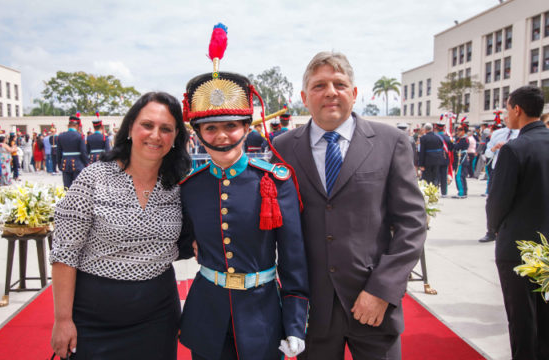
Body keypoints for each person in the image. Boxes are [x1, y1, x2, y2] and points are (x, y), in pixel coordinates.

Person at [273, 51, 427, 360]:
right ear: (304, 97)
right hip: (312, 310)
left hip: (373, 305)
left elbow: (412, 223)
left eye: (339, 84)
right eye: (319, 86)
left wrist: (382, 290)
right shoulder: (283, 146)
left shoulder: (390, 141)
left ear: (354, 94)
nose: (330, 92)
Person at [179, 26, 309, 360]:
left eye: (230, 126)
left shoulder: (275, 182)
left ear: (246, 128)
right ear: (198, 133)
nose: (221, 135)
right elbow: (179, 240)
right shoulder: (190, 186)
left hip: (262, 314)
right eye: (211, 127)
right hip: (207, 313)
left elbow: (293, 261)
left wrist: (295, 323)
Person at [50, 92, 193, 360]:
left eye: (166, 129)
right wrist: (62, 320)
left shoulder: (179, 185)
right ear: (130, 128)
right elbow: (64, 253)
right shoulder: (94, 177)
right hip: (94, 317)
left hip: (158, 317)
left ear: (176, 138)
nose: (155, 135)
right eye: (147, 125)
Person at [486, 85, 549, 360]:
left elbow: (497, 201)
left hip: (519, 247)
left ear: (517, 110)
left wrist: (495, 228)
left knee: (522, 319)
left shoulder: (515, 149)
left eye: (507, 108)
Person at [56, 116, 88, 188]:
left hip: (65, 164)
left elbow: (58, 153)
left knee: (67, 187)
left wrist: (59, 164)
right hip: (78, 164)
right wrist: (87, 164)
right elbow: (83, 152)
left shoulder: (61, 136)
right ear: (77, 125)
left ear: (68, 125)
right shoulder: (80, 136)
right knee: (78, 187)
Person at [434, 122, 453, 197]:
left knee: (436, 176)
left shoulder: (435, 137)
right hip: (445, 159)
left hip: (436, 159)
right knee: (444, 176)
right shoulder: (448, 138)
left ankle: (435, 192)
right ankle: (444, 193)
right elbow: (451, 148)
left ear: (436, 128)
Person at [452, 125, 469, 199]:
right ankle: (463, 192)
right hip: (460, 158)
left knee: (459, 176)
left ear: (463, 131)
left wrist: (452, 142)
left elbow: (457, 147)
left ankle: (461, 192)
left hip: (461, 159)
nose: (458, 132)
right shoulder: (461, 139)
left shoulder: (464, 139)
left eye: (459, 130)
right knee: (461, 176)